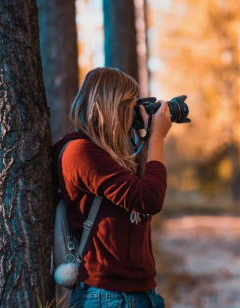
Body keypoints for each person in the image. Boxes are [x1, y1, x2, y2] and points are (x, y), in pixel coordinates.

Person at [50, 67, 171, 308]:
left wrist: (143, 139)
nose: (134, 111)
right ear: (113, 106)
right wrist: (157, 137)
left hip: (136, 293)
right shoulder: (80, 152)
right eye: (130, 104)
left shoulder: (107, 155)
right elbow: (149, 198)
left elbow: (141, 190)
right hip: (108, 296)